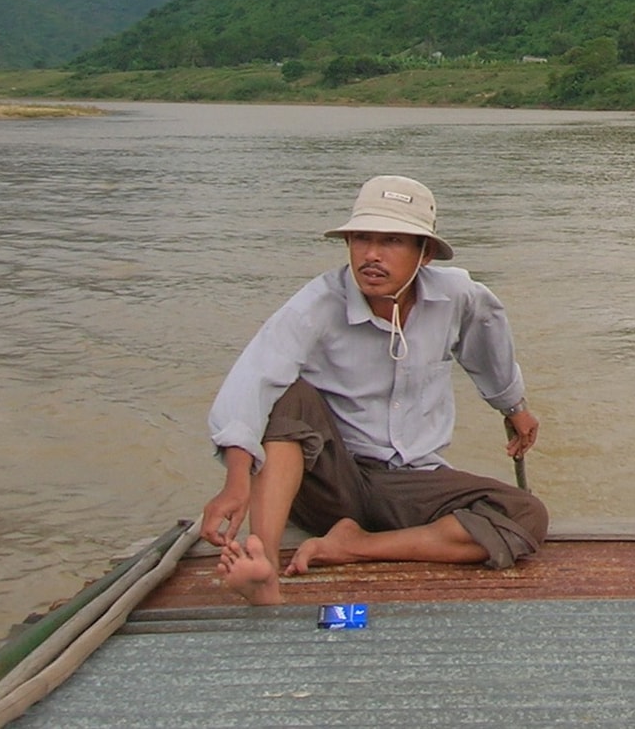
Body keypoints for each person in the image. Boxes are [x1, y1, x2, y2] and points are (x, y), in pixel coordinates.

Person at [201, 174, 548, 605]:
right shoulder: (317, 306)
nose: (371, 255)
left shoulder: (457, 296)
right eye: (360, 239)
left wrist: (513, 405)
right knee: (290, 397)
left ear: (424, 254)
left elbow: (488, 341)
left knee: (525, 515)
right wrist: (236, 482)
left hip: (412, 481)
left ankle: (353, 545)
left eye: (392, 242)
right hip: (333, 479)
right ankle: (265, 567)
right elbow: (251, 381)